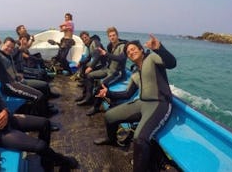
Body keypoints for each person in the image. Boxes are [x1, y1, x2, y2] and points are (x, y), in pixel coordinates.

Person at [93, 34, 177, 172]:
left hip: (159, 104)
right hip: (141, 103)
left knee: (140, 139)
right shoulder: (135, 73)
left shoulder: (152, 58)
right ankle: (112, 139)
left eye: (133, 49)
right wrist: (107, 93)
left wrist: (160, 48)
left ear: (141, 50)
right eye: (128, 52)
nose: (131, 52)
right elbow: (127, 94)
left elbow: (171, 63)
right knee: (109, 116)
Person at [0, 35, 58, 119]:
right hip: (9, 86)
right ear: (2, 44)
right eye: (7, 46)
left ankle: (46, 107)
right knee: (38, 96)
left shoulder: (9, 54)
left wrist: (17, 75)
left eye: (12, 47)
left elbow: (15, 55)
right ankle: (44, 117)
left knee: (44, 85)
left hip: (17, 82)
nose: (9, 49)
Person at [77, 27, 127, 116]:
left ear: (117, 35)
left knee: (102, 84)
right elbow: (107, 57)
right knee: (89, 76)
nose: (112, 37)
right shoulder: (110, 46)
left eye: (114, 35)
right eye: (110, 36)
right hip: (107, 69)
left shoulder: (123, 46)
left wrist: (105, 54)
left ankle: (96, 107)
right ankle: (88, 98)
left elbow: (121, 58)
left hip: (117, 73)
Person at [74, 31, 106, 100]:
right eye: (83, 39)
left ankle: (88, 97)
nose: (84, 39)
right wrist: (80, 62)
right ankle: (84, 93)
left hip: (103, 65)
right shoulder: (88, 45)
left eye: (85, 37)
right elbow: (89, 57)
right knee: (84, 66)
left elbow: (98, 55)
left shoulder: (95, 42)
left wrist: (91, 67)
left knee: (88, 73)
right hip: (98, 64)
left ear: (89, 37)